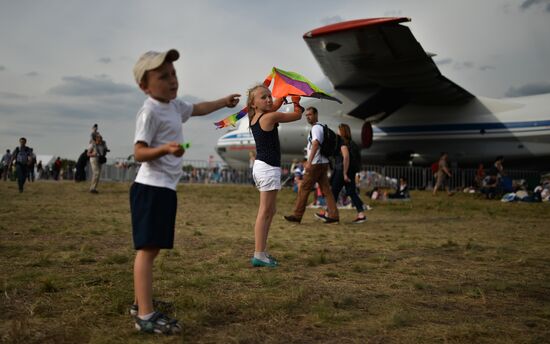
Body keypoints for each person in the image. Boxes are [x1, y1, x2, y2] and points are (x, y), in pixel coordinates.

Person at [130, 48, 240, 334]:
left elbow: (199, 108)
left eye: (174, 74)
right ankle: (144, 315)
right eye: (163, 77)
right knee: (147, 251)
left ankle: (142, 300)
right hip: (150, 188)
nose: (172, 80)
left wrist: (223, 102)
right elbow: (138, 152)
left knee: (153, 250)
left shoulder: (175, 105)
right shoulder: (150, 111)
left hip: (165, 188)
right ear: (144, 86)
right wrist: (165, 148)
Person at [247, 85, 304, 267]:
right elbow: (297, 115)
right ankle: (259, 255)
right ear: (254, 103)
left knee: (270, 211)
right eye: (263, 97)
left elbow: (274, 105)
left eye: (269, 96)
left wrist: (284, 96)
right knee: (265, 211)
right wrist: (296, 102)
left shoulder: (256, 117)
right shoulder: (270, 116)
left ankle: (261, 252)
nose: (269, 99)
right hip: (268, 168)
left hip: (264, 166)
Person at [284, 107, 339, 223]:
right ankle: (334, 215)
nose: (308, 117)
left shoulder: (316, 128)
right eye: (306, 115)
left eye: (310, 114)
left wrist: (309, 162)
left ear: (316, 115)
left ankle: (297, 215)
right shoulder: (322, 127)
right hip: (323, 163)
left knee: (304, 188)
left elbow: (315, 145)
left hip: (315, 164)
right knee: (326, 190)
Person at [326, 123, 366, 223]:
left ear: (342, 131)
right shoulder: (352, 144)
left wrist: (344, 173)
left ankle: (329, 214)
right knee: (351, 192)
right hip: (350, 171)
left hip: (342, 171)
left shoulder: (342, 143)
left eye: (339, 130)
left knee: (333, 192)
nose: (337, 132)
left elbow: (346, 158)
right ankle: (361, 214)